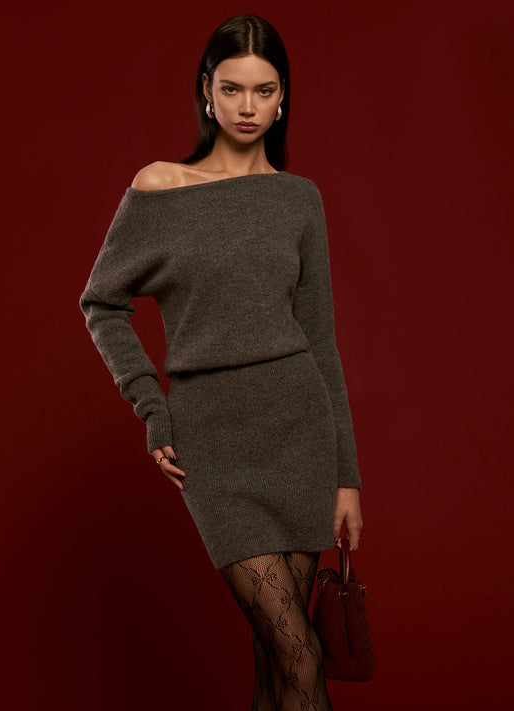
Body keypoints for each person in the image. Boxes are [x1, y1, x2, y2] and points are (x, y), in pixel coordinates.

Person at [79, 13, 364, 711]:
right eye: (232, 89)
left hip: (297, 429)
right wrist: (152, 405)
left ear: (282, 98)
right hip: (213, 437)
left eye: (263, 90)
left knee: (279, 666)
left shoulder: (299, 199)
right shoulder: (160, 187)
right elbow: (101, 303)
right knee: (298, 654)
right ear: (206, 91)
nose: (246, 107)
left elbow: (319, 339)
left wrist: (346, 477)